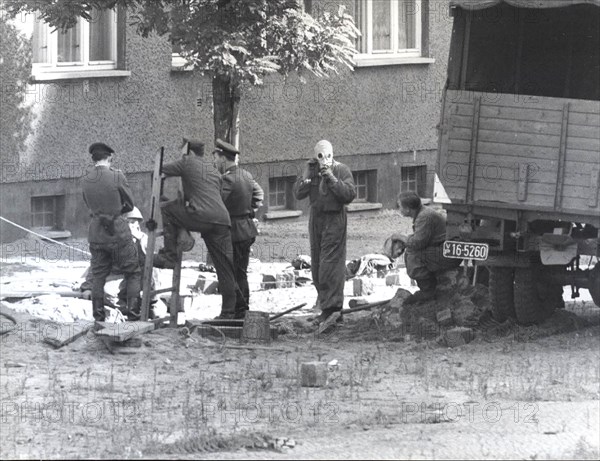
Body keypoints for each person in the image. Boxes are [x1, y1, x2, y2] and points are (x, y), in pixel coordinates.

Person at [152, 138, 239, 319]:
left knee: (167, 208)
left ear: (188, 150)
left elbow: (159, 169)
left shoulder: (186, 162)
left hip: (202, 216)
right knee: (225, 268)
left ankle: (169, 254)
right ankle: (232, 312)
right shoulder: (211, 169)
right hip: (222, 221)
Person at [293, 140, 356, 329]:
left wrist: (332, 179)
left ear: (332, 155)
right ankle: (324, 306)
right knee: (318, 265)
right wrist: (306, 174)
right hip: (317, 219)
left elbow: (349, 195)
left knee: (331, 266)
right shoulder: (312, 171)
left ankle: (333, 309)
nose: (324, 160)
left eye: (326, 156)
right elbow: (297, 194)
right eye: (320, 156)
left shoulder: (341, 170)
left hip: (335, 219)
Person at [82, 142, 141, 322]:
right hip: (118, 232)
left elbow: (88, 204)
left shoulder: (86, 179)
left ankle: (98, 318)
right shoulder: (117, 175)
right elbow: (130, 204)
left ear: (93, 159)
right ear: (109, 158)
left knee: (98, 276)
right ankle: (133, 315)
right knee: (133, 271)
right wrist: (116, 211)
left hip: (96, 232)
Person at [213, 139, 264, 319]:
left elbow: (218, 204)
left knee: (230, 273)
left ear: (223, 158)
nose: (216, 162)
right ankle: (243, 310)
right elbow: (259, 194)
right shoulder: (246, 175)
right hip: (246, 229)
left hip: (233, 231)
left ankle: (234, 311)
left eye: (217, 158)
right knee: (240, 272)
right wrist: (249, 210)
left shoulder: (227, 178)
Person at [79, 206, 153, 320]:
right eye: (126, 223)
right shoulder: (109, 241)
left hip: (138, 279)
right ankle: (130, 310)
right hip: (117, 278)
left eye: (133, 222)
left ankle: (146, 307)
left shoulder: (143, 240)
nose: (130, 226)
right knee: (106, 292)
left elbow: (152, 268)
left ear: (138, 225)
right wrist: (87, 287)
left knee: (155, 305)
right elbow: (97, 266)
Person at [392, 191, 462, 304]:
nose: (399, 209)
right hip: (443, 249)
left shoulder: (424, 217)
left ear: (408, 209)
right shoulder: (423, 213)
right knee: (411, 251)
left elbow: (418, 243)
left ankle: (428, 290)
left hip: (446, 253)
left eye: (400, 206)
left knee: (413, 255)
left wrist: (400, 238)